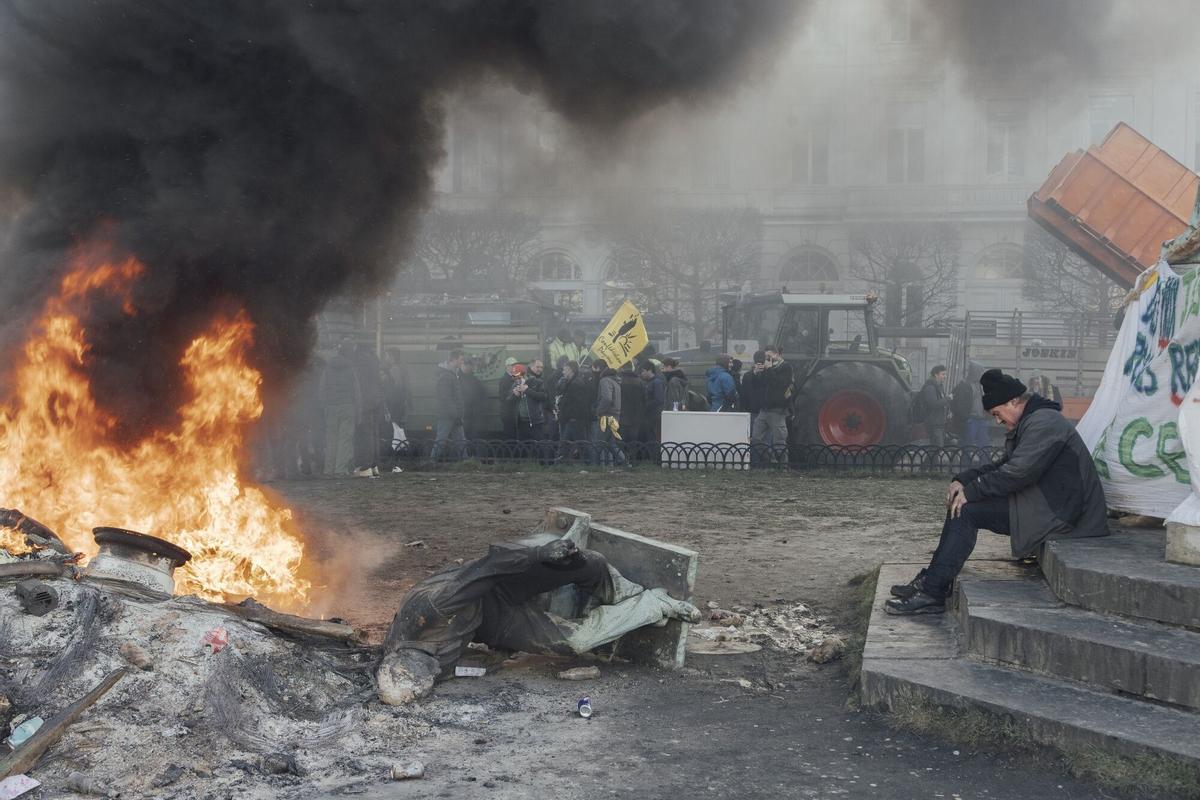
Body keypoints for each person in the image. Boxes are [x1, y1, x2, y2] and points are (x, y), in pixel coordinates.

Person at [885, 369, 1109, 616]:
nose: (998, 421)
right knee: (962, 505)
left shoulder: (1044, 422)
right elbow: (1005, 465)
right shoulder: (1033, 421)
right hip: (1046, 503)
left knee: (966, 511)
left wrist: (972, 491)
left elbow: (1018, 472)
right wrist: (963, 479)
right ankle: (932, 581)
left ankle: (933, 592)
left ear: (1013, 401)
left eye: (997, 414)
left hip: (1063, 514)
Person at [376, 537, 701, 705]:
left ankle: (619, 589)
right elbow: (460, 667)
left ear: (416, 653)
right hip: (488, 621)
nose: (437, 670)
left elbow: (486, 568)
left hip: (492, 584)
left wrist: (537, 556)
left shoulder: (432, 607)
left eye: (432, 667)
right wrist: (496, 658)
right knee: (576, 642)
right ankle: (653, 603)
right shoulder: (418, 669)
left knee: (580, 564)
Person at [319, 337, 361, 476]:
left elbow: (322, 388)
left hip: (331, 407)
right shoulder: (350, 368)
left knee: (331, 439)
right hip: (347, 406)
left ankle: (328, 469)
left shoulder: (328, 368)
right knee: (345, 439)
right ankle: (340, 470)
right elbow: (357, 391)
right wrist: (358, 411)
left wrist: (324, 406)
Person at [752, 346, 793, 464]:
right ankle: (772, 460)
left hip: (778, 409)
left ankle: (783, 465)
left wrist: (769, 369)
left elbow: (780, 385)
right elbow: (757, 386)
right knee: (756, 438)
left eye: (769, 356)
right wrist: (756, 373)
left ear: (777, 354)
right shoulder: (767, 368)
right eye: (766, 357)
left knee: (779, 440)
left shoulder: (786, 367)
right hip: (764, 408)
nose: (767, 359)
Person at [352, 344, 386, 477]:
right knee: (374, 433)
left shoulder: (359, 360)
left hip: (366, 400)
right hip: (377, 399)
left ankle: (365, 467)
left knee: (364, 434)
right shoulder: (374, 360)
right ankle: (374, 465)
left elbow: (358, 383)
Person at [430, 350, 466, 462]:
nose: (462, 362)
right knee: (442, 439)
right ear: (453, 360)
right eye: (461, 359)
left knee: (459, 440)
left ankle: (465, 461)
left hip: (453, 414)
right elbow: (445, 398)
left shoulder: (451, 374)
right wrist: (456, 413)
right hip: (447, 414)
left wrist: (457, 413)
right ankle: (432, 461)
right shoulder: (446, 376)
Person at [555, 360, 591, 461]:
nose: (563, 372)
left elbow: (575, 404)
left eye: (564, 370)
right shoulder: (572, 382)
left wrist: (565, 414)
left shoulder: (576, 384)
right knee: (576, 443)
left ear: (571, 370)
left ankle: (588, 462)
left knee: (573, 443)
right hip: (572, 418)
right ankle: (587, 462)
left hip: (574, 419)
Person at [593, 358, 625, 466]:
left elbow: (607, 399)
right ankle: (619, 463)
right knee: (611, 443)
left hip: (606, 416)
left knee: (600, 442)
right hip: (615, 415)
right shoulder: (616, 381)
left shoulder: (604, 381)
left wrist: (598, 410)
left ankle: (601, 465)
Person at [915, 365, 950, 447]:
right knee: (937, 448)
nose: (945, 377)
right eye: (943, 374)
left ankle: (929, 460)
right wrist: (947, 399)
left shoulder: (939, 386)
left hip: (939, 423)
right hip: (934, 423)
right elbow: (933, 404)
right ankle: (931, 460)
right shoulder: (930, 387)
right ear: (936, 375)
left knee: (934, 449)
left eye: (945, 374)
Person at [618, 362, 646, 458]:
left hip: (622, 416)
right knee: (633, 442)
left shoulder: (619, 381)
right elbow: (644, 400)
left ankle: (622, 460)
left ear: (622, 368)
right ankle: (633, 460)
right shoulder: (640, 381)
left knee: (620, 441)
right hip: (636, 417)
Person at [459, 358, 487, 443]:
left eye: (469, 365)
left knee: (473, 436)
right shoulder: (456, 379)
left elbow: (483, 395)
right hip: (462, 414)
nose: (467, 367)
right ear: (461, 365)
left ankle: (471, 454)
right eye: (465, 365)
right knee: (461, 436)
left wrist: (479, 408)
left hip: (474, 415)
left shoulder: (475, 380)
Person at [639, 360, 665, 443]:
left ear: (649, 370)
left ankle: (653, 455)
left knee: (652, 438)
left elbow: (659, 400)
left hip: (654, 416)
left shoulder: (657, 382)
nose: (641, 374)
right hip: (648, 415)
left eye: (643, 371)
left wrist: (645, 406)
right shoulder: (647, 382)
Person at [498, 358, 523, 441]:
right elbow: (502, 397)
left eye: (515, 365)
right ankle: (509, 453)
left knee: (517, 435)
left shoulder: (517, 377)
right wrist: (513, 393)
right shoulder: (504, 380)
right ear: (507, 367)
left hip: (517, 412)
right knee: (510, 436)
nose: (514, 367)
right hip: (508, 413)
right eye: (512, 365)